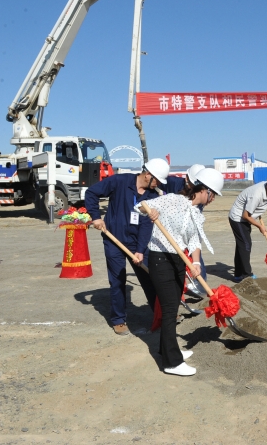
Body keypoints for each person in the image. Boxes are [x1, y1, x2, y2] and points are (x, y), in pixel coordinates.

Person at [137, 168, 223, 377]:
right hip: (160, 259)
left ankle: (166, 349)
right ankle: (171, 363)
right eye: (212, 195)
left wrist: (196, 263)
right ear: (203, 190)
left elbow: (194, 241)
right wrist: (150, 212)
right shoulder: (172, 200)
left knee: (173, 305)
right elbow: (140, 206)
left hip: (178, 260)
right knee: (169, 311)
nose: (212, 199)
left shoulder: (196, 213)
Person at [85, 158, 169, 336]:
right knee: (117, 279)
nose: (158, 184)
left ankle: (160, 316)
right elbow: (91, 193)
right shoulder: (120, 181)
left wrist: (140, 250)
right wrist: (96, 217)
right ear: (148, 176)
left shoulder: (153, 196)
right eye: (157, 181)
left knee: (149, 277)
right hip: (113, 238)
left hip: (136, 243)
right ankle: (118, 320)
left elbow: (147, 226)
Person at [228, 173, 267, 281]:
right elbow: (245, 215)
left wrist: (258, 213)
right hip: (238, 218)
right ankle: (247, 275)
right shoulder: (257, 194)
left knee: (242, 245)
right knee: (245, 245)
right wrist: (259, 226)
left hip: (246, 218)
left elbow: (255, 208)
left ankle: (238, 274)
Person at [164, 164, 208, 283]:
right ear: (187, 178)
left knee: (195, 248)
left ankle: (200, 281)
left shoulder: (202, 191)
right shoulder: (172, 182)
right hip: (170, 225)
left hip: (189, 221)